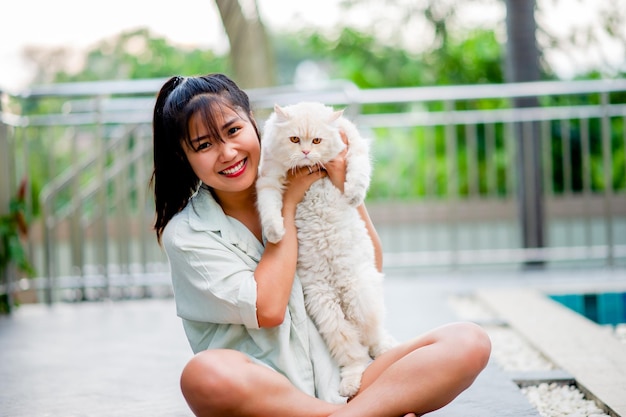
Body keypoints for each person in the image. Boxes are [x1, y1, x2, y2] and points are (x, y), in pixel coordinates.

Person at [151, 73, 491, 417]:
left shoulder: (306, 170)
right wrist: (287, 203)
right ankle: (374, 412)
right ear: (184, 157)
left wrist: (344, 187)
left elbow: (369, 264)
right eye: (204, 145)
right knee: (203, 374)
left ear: (254, 125)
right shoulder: (187, 234)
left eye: (233, 131)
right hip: (272, 398)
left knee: (468, 341)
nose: (227, 152)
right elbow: (267, 309)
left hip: (352, 378)